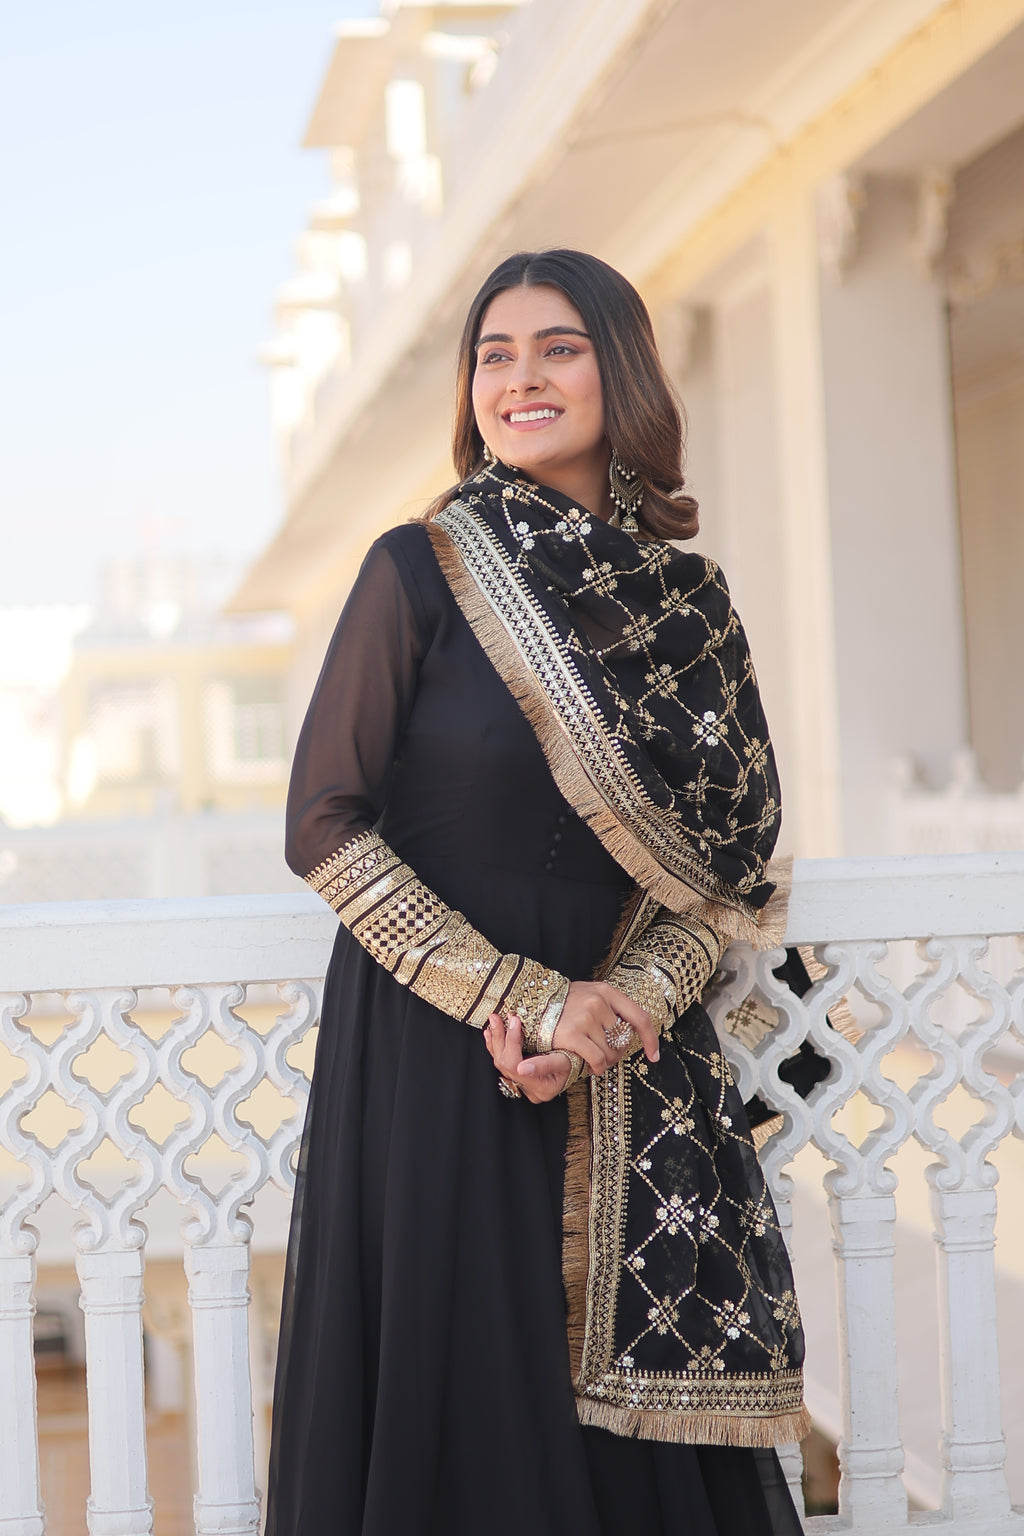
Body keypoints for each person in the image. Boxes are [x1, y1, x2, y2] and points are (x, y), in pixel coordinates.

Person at [266, 249, 809, 1536]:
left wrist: (617, 1007)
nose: (520, 378)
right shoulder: (420, 570)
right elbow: (323, 827)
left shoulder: (690, 607)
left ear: (617, 370)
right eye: (493, 354)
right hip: (440, 1058)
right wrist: (518, 998)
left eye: (556, 347)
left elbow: (726, 881)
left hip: (623, 1071)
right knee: (463, 1424)